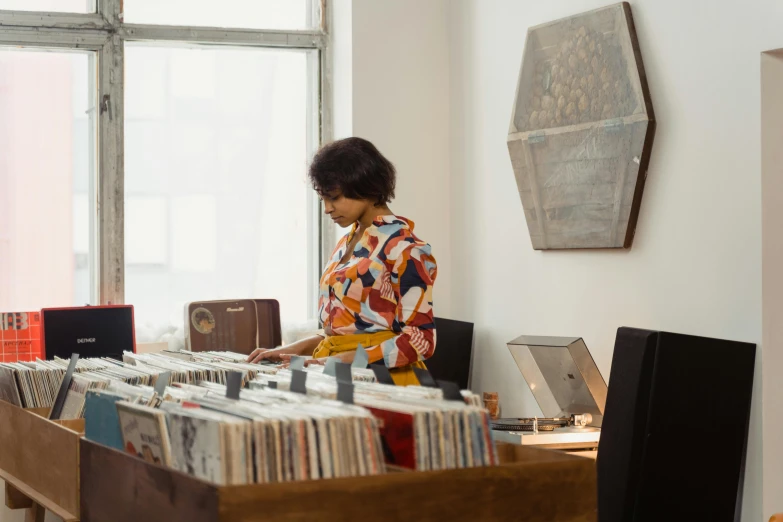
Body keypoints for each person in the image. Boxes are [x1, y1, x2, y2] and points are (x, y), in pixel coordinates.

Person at [247, 137, 437, 386]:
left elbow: (421, 340)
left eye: (334, 197)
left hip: (381, 380)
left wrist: (351, 359)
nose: (327, 209)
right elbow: (344, 331)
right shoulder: (347, 243)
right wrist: (288, 350)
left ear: (366, 186)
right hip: (335, 371)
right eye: (323, 199)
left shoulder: (406, 248)